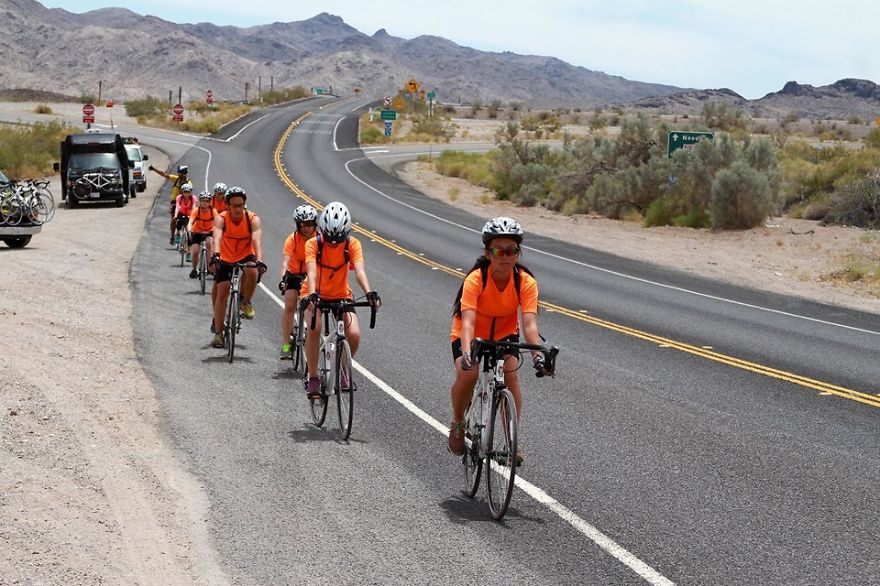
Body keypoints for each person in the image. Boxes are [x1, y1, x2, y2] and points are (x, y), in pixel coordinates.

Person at [447, 217, 551, 463]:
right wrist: (467, 352)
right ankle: (458, 421)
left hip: (505, 334)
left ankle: (511, 439)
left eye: (511, 251)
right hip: (470, 333)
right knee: (468, 373)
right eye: (498, 251)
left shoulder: (525, 282)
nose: (505, 256)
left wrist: (538, 356)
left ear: (518, 252)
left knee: (511, 377)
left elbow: (530, 325)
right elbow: (468, 322)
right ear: (487, 253)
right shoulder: (476, 279)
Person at [302, 202, 380, 398]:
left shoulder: (353, 244)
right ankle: (313, 377)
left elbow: (359, 271)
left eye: (338, 240)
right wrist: (311, 295)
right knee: (315, 327)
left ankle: (344, 370)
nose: (334, 244)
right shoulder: (312, 244)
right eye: (330, 240)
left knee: (353, 334)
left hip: (341, 294)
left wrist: (369, 292)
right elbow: (311, 272)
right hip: (314, 293)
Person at [209, 187, 267, 348]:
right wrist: (215, 255)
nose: (238, 209)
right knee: (222, 291)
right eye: (234, 206)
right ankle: (218, 333)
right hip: (225, 256)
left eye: (241, 205)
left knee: (253, 271)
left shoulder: (252, 219)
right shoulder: (221, 218)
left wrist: (260, 260)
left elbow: (257, 241)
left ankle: (245, 302)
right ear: (227, 205)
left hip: (245, 254)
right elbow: (216, 237)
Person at [278, 204, 318, 359]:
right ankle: (286, 344)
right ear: (297, 225)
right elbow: (285, 262)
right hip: (294, 274)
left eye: (309, 224)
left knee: (312, 306)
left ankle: (310, 334)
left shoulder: (319, 240)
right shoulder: (292, 239)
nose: (306, 228)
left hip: (311, 275)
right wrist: (283, 279)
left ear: (315, 224)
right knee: (289, 305)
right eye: (302, 225)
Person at [149, 164, 190, 244]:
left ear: (185, 174)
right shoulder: (176, 179)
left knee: (187, 219)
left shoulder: (189, 183)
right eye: (179, 173)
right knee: (173, 219)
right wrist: (154, 169)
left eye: (182, 173)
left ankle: (186, 236)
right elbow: (164, 174)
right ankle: (172, 237)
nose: (180, 175)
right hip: (175, 202)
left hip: (185, 202)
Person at [187, 191, 217, 278]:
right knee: (195, 251)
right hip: (197, 232)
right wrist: (189, 230)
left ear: (210, 202)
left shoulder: (213, 211)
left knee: (209, 243)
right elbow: (190, 222)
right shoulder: (196, 210)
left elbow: (218, 223)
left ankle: (209, 267)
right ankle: (194, 269)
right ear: (200, 201)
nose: (205, 203)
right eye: (203, 200)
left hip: (209, 232)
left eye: (207, 201)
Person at [174, 182, 197, 260]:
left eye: (188, 192)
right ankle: (177, 234)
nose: (186, 194)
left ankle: (189, 253)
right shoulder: (179, 198)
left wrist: (193, 217)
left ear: (190, 192)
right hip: (181, 213)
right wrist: (175, 215)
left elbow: (194, 207)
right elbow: (177, 207)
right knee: (178, 222)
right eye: (185, 192)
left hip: (190, 215)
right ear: (182, 192)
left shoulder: (193, 198)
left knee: (189, 233)